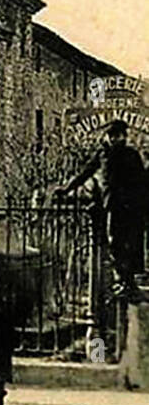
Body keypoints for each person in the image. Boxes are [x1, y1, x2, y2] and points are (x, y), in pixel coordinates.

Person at [57, 119, 147, 302]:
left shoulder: (132, 155)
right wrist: (67, 188)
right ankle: (123, 280)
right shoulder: (102, 155)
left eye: (119, 136)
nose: (115, 139)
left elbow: (143, 182)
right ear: (107, 137)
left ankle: (129, 283)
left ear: (124, 137)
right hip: (111, 205)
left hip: (131, 208)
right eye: (112, 136)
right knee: (114, 244)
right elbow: (85, 173)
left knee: (131, 245)